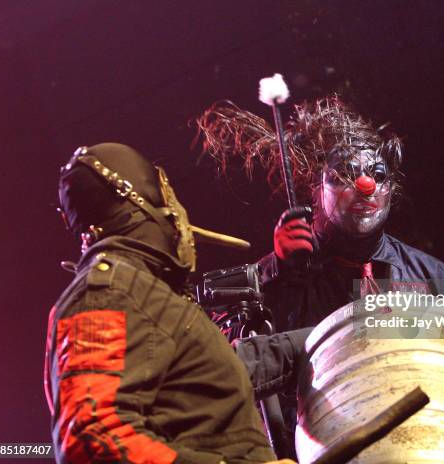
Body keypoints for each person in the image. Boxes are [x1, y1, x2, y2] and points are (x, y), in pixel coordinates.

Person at [45, 142, 298, 464]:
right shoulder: (109, 291)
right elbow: (92, 440)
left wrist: (346, 326)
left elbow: (207, 384)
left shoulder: (143, 292)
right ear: (141, 201)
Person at [197, 96, 444, 334]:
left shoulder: (435, 277)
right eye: (343, 175)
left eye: (379, 175)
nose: (365, 187)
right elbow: (227, 361)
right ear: (315, 190)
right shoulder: (270, 279)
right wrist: (276, 275)